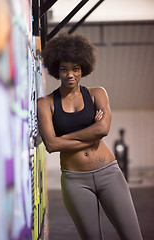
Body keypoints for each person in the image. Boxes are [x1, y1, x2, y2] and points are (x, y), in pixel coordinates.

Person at [38, 33, 143, 240]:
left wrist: (66, 138)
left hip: (109, 174)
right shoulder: (46, 104)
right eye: (64, 69)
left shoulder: (97, 93)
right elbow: (51, 144)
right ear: (55, 70)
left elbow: (102, 130)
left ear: (83, 68)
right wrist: (91, 135)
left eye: (75, 68)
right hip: (75, 181)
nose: (70, 74)